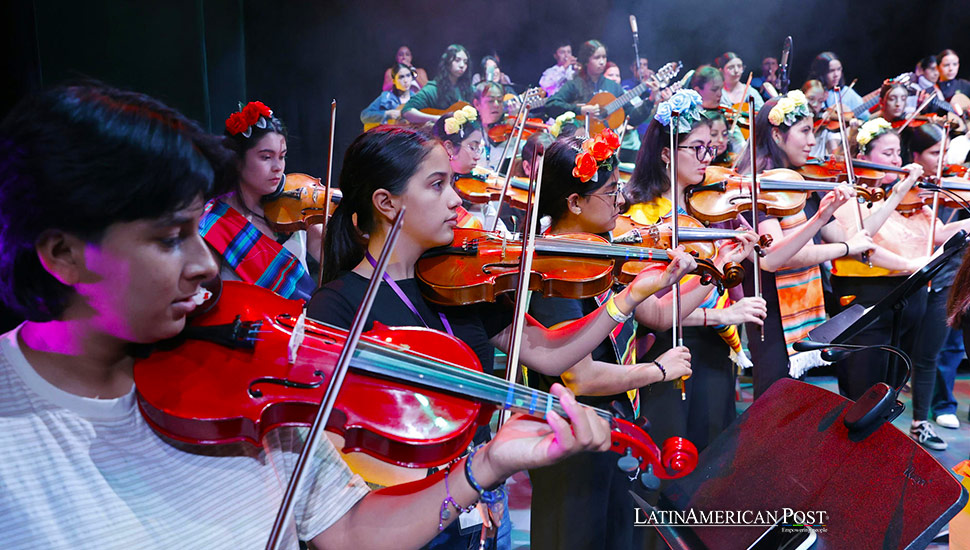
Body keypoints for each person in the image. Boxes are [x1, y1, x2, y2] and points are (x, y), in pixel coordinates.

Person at [0, 82, 613, 550]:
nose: (207, 267)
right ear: (64, 255)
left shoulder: (250, 377)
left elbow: (344, 535)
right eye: (170, 239)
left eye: (199, 231)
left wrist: (488, 464)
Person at [307, 125, 693, 549]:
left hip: (482, 500)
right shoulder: (337, 306)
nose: (456, 199)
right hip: (398, 513)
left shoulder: (456, 285)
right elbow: (335, 450)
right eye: (437, 185)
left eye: (452, 183)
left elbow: (550, 354)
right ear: (386, 202)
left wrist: (630, 297)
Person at [525, 131, 694, 550]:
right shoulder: (556, 270)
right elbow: (578, 378)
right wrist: (656, 370)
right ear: (574, 202)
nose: (620, 201)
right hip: (576, 440)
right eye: (609, 191)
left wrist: (716, 268)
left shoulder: (595, 253)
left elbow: (653, 314)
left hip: (611, 427)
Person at [624, 90, 765, 450]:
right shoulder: (642, 219)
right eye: (698, 148)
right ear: (668, 154)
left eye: (710, 148)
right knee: (677, 456)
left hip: (714, 344)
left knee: (714, 446)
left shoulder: (704, 209)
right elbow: (651, 311)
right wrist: (725, 307)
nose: (708, 158)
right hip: (670, 347)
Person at [735, 91, 875, 395]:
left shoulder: (802, 183)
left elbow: (850, 236)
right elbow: (776, 256)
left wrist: (897, 192)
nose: (813, 141)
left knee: (793, 398)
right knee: (773, 397)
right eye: (805, 131)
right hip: (770, 307)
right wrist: (845, 248)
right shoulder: (758, 186)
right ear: (777, 135)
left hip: (801, 305)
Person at [826, 119, 947, 448]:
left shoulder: (905, 197)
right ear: (864, 154)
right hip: (868, 299)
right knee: (862, 388)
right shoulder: (851, 197)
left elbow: (931, 236)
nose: (897, 161)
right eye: (888, 153)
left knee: (891, 389)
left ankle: (878, 461)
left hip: (909, 298)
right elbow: (863, 248)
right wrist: (912, 265)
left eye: (899, 153)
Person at [203, 101, 318, 301]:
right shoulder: (214, 223)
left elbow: (338, 264)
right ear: (237, 160)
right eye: (266, 157)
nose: (278, 167)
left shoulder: (295, 209)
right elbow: (206, 298)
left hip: (304, 325)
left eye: (282, 157)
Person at [544, 40, 653, 130]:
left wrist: (651, 100)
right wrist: (580, 110)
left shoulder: (613, 87)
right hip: (578, 143)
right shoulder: (575, 84)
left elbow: (632, 118)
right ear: (586, 61)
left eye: (604, 57)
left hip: (606, 147)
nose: (602, 62)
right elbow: (551, 105)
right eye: (597, 58)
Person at [402, 44, 474, 125]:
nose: (462, 65)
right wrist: (436, 119)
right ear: (447, 62)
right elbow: (407, 111)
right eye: (457, 60)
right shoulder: (433, 89)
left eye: (465, 62)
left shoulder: (470, 89)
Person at [807, 51, 869, 122]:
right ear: (821, 72)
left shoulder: (847, 92)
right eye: (831, 71)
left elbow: (865, 117)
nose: (836, 75)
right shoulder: (814, 91)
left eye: (839, 69)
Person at [361, 62, 413, 130]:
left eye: (408, 75)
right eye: (401, 77)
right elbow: (364, 116)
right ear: (394, 81)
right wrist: (387, 114)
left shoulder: (417, 98)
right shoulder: (386, 97)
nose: (406, 80)